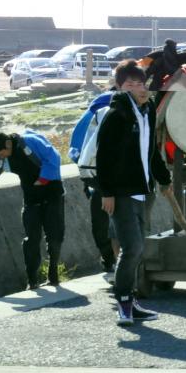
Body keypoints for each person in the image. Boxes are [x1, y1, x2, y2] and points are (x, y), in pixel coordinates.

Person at [95, 60, 173, 325]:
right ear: (119, 87)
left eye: (141, 83)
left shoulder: (147, 110)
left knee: (139, 248)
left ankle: (132, 300)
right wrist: (106, 192)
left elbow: (150, 150)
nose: (138, 88)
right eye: (130, 84)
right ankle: (124, 302)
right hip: (120, 191)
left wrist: (163, 178)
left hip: (143, 190)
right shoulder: (115, 114)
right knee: (132, 247)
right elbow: (103, 157)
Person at [0, 129, 66, 291]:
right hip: (31, 198)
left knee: (55, 236)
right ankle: (32, 280)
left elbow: (53, 157)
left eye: (0, 154)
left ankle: (53, 275)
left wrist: (43, 179)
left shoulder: (30, 142)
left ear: (8, 143)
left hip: (53, 194)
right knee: (32, 239)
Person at [68, 87, 119, 278]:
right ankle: (118, 262)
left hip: (96, 180)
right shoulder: (115, 111)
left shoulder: (92, 113)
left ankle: (110, 260)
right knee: (120, 224)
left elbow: (76, 150)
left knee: (101, 222)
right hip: (117, 181)